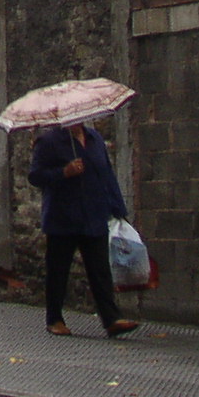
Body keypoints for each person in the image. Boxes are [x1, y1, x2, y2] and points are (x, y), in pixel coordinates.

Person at [27, 120, 139, 339]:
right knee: (58, 270)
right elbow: (36, 176)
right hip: (63, 217)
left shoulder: (94, 139)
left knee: (100, 269)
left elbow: (106, 173)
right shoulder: (48, 142)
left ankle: (111, 318)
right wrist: (64, 172)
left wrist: (117, 208)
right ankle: (54, 318)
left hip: (94, 214)